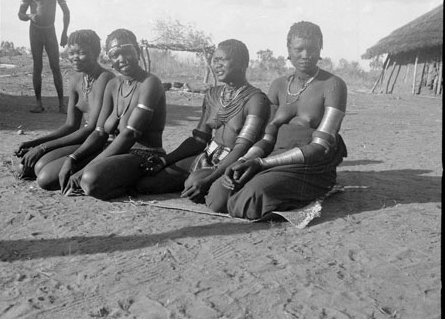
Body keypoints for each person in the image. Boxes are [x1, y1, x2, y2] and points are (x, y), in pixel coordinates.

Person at [206, 21, 348, 219]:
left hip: (309, 164)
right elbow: (267, 136)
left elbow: (321, 146)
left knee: (248, 200)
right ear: (288, 49)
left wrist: (261, 164)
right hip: (272, 156)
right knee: (217, 197)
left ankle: (306, 190)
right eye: (299, 49)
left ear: (320, 50)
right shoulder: (279, 85)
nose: (306, 55)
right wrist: (246, 160)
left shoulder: (333, 85)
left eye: (313, 49)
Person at [135, 39, 270, 204]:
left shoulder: (255, 99)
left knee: (194, 183)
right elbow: (199, 139)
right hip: (206, 157)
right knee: (145, 185)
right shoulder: (213, 94)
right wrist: (165, 160)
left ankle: (202, 183)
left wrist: (209, 179)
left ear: (242, 64)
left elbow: (242, 148)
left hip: (232, 163)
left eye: (223, 60)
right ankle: (194, 181)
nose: (217, 65)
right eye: (215, 60)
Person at [57, 28, 166, 200]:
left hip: (144, 154)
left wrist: (84, 169)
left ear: (137, 52)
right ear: (110, 59)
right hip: (115, 150)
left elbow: (130, 133)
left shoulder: (150, 83)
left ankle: (130, 185)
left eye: (126, 52)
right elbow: (100, 132)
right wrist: (73, 157)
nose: (121, 59)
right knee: (48, 176)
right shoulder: (114, 85)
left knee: (89, 179)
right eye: (115, 55)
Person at [14, 30, 115, 185]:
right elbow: (70, 125)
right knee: (25, 168)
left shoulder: (105, 78)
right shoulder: (76, 80)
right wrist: (34, 143)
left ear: (96, 53)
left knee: (44, 176)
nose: (75, 57)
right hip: (84, 139)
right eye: (72, 52)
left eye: (81, 53)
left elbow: (92, 129)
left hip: (102, 142)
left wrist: (42, 148)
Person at [18, 0, 70, 113]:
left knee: (55, 66)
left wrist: (64, 33)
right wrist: (28, 15)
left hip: (50, 31)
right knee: (37, 66)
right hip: (35, 31)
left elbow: (66, 12)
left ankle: (61, 104)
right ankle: (38, 104)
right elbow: (20, 14)